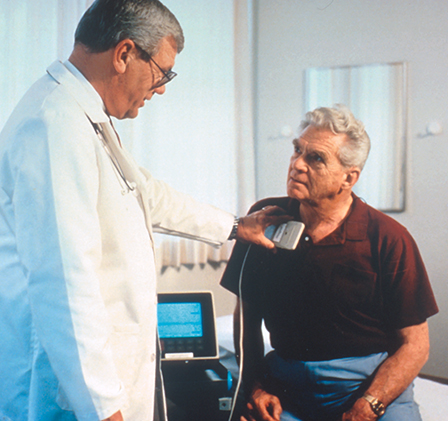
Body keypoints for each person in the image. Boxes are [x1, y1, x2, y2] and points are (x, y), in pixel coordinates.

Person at [0, 1, 290, 420]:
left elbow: (145, 193)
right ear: (123, 54)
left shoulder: (83, 117)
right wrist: (102, 408)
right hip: (72, 395)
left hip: (103, 380)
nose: (162, 87)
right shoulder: (54, 126)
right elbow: (64, 285)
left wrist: (233, 226)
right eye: (162, 71)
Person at [220, 105, 438, 421]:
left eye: (315, 158)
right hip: (286, 389)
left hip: (367, 389)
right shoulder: (264, 219)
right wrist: (254, 387)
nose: (297, 165)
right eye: (297, 150)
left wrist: (367, 408)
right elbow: (246, 321)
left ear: (348, 178)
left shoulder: (388, 237)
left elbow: (415, 346)